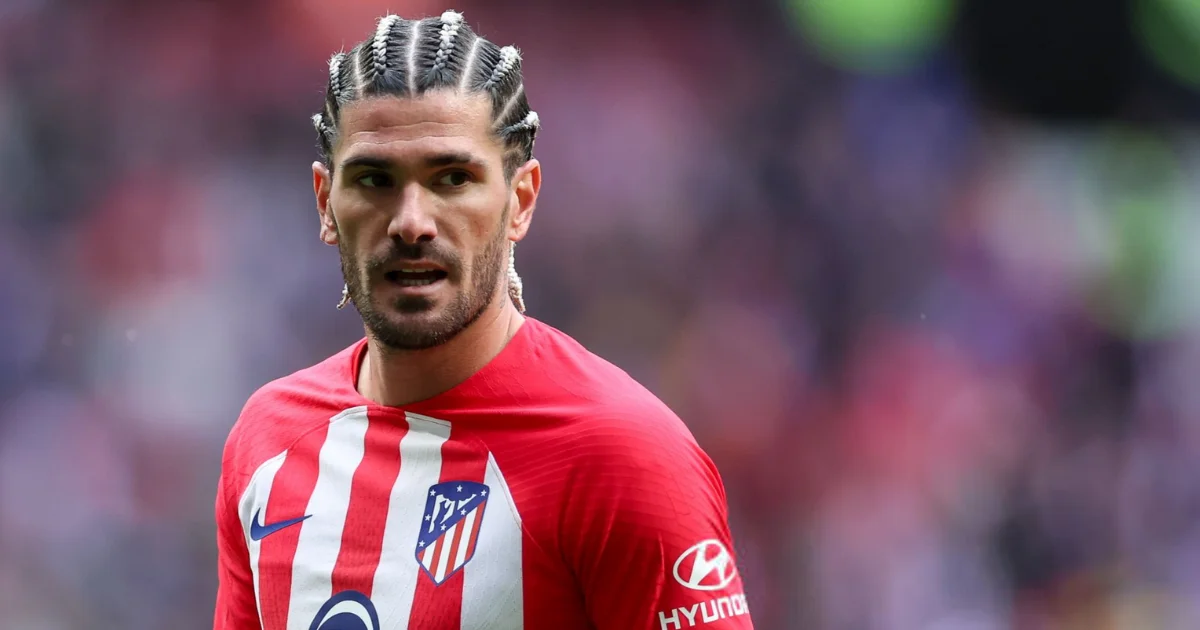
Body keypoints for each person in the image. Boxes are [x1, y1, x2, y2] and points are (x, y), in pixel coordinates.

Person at [213, 11, 753, 630]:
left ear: (519, 201)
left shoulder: (622, 458)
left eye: (452, 178)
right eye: (374, 179)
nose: (411, 220)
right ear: (325, 202)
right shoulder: (267, 445)